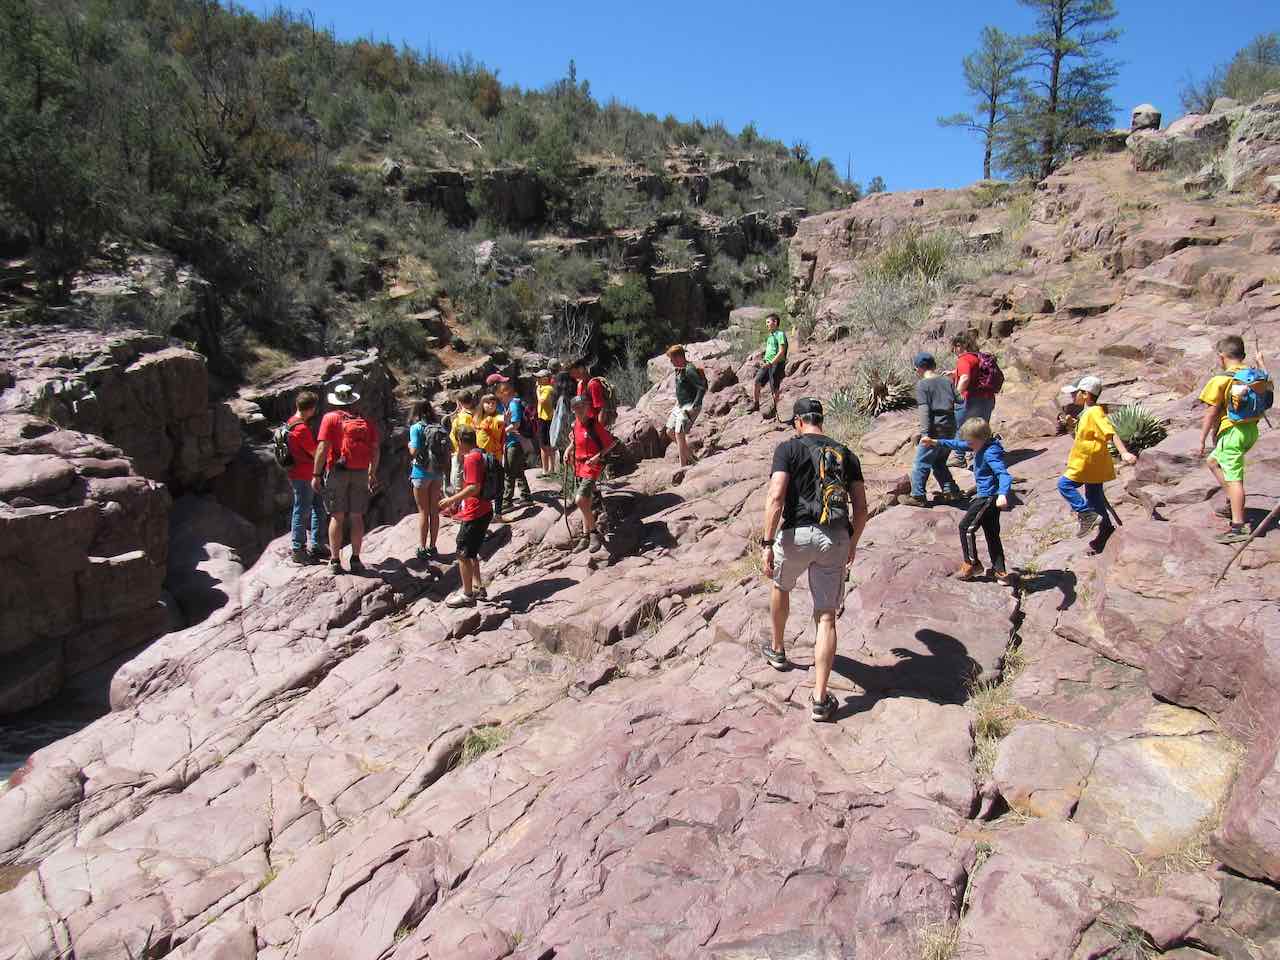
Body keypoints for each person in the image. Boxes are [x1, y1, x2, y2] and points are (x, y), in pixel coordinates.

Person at [760, 397, 868, 723]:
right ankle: (820, 700)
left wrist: (767, 542)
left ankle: (778, 651)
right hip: (833, 536)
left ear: (797, 422)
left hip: (795, 534)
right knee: (826, 617)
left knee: (781, 585)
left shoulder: (788, 449)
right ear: (822, 419)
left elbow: (777, 496)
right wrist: (852, 542)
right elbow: (861, 508)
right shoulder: (846, 454)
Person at [921, 418, 1014, 583]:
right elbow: (958, 444)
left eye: (970, 442)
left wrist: (1002, 494)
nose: (968, 445)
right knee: (992, 534)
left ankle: (972, 563)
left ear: (981, 438)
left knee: (965, 527)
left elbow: (1004, 474)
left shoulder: (990, 452)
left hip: (988, 498)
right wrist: (936, 442)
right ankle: (1000, 572)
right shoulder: (980, 444)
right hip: (989, 498)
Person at [1198, 335, 1267, 544]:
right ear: (1243, 355)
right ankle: (1234, 500)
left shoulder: (1220, 380)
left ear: (1222, 357)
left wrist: (1202, 438)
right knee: (1213, 462)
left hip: (1232, 434)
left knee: (1234, 478)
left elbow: (1211, 412)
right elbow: (1266, 379)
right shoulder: (1254, 374)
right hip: (1250, 431)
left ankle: (1238, 527)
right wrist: (1261, 361)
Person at [1056, 375, 1137, 552]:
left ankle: (1086, 514)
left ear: (1085, 394)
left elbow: (1110, 432)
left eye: (1075, 393)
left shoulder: (1095, 412)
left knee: (1064, 485)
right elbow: (1086, 432)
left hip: (1087, 463)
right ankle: (1106, 529)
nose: (1071, 396)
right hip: (1091, 462)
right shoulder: (1087, 413)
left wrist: (1123, 452)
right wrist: (1071, 424)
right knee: (1094, 497)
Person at [313, 383, 380, 573]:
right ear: (352, 400)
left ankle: (335, 561)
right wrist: (372, 472)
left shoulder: (330, 418)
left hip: (337, 471)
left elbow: (322, 447)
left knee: (337, 515)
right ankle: (356, 559)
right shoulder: (365, 422)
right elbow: (375, 449)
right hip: (360, 471)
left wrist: (316, 474)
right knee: (357, 516)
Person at [437, 427, 492, 607]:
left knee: (462, 553)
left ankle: (468, 595)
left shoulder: (471, 458)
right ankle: (478, 587)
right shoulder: (481, 453)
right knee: (472, 552)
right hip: (483, 508)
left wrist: (450, 499)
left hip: (475, 512)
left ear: (460, 441)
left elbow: (474, 487)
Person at [901, 351, 961, 508]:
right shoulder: (947, 381)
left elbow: (924, 410)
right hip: (950, 426)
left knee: (921, 463)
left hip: (935, 428)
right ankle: (951, 491)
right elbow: (960, 399)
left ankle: (918, 496)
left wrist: (926, 434)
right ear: (934, 366)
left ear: (919, 368)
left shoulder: (922, 385)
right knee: (939, 462)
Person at [568, 394, 616, 553]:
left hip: (592, 466)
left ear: (588, 407)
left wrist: (598, 457)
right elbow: (575, 441)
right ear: (572, 410)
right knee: (586, 502)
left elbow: (611, 443)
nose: (580, 410)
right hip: (579, 465)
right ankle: (585, 536)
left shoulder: (593, 424)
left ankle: (594, 533)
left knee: (580, 500)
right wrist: (568, 450)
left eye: (583, 407)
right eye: (577, 408)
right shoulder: (575, 425)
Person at [285, 390, 328, 565]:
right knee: (302, 510)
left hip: (304, 473)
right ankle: (298, 549)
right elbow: (314, 452)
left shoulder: (290, 423)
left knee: (319, 507)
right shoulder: (301, 429)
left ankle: (317, 543)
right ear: (311, 409)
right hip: (304, 475)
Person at [949, 330, 1001, 467]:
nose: (954, 351)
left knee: (960, 427)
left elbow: (965, 378)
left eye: (953, 348)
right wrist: (954, 373)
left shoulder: (964, 359)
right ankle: (985, 457)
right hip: (988, 398)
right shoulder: (979, 357)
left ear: (959, 345)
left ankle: (959, 458)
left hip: (970, 400)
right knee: (981, 428)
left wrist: (955, 396)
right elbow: (975, 372)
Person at [408, 399, 448, 562]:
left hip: (421, 472)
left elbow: (414, 451)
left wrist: (409, 445)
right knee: (434, 511)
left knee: (423, 511)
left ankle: (422, 547)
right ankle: (433, 546)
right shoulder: (438, 426)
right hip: (437, 472)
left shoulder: (416, 427)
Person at [494, 376, 534, 507]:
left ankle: (506, 501)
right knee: (518, 471)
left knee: (509, 472)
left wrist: (502, 432)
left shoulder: (513, 404)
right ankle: (526, 496)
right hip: (513, 442)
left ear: (502, 393)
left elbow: (516, 424)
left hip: (515, 442)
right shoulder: (506, 404)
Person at [665, 345, 707, 468]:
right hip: (680, 405)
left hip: (690, 406)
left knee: (679, 433)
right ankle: (691, 457)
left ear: (679, 357)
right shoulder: (679, 369)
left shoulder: (689, 369)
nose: (671, 362)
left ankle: (683, 466)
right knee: (669, 431)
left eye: (672, 359)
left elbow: (701, 388)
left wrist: (695, 404)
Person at [749, 313, 789, 417]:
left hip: (777, 364)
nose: (766, 325)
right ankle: (756, 404)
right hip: (767, 364)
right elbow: (769, 351)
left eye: (768, 322)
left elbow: (781, 352)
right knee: (757, 381)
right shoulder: (770, 336)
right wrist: (765, 360)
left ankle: (775, 410)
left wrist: (771, 363)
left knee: (774, 387)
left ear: (775, 322)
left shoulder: (780, 334)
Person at [475, 393, 507, 520]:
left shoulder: (497, 418)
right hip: (481, 457)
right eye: (487, 402)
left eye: (493, 403)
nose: (490, 405)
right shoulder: (477, 418)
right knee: (482, 486)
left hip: (495, 457)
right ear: (482, 404)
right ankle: (483, 513)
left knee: (499, 485)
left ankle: (498, 514)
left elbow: (501, 419)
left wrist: (506, 419)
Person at [448, 390, 479, 498]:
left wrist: (460, 452)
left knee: (458, 477)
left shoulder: (464, 416)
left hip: (461, 451)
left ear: (459, 402)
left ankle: (457, 502)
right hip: (467, 450)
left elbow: (463, 434)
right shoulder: (475, 412)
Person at [569, 355, 608, 424]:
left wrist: (599, 430)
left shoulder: (593, 384)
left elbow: (601, 409)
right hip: (586, 425)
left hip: (594, 425)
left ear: (581, 369)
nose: (572, 375)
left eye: (573, 372)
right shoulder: (580, 384)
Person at [535, 368, 556, 475]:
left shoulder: (546, 388)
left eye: (539, 377)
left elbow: (542, 401)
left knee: (544, 445)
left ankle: (545, 470)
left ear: (545, 379)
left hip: (546, 419)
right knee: (549, 444)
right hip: (545, 418)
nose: (537, 379)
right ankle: (551, 469)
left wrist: (538, 392)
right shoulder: (546, 388)